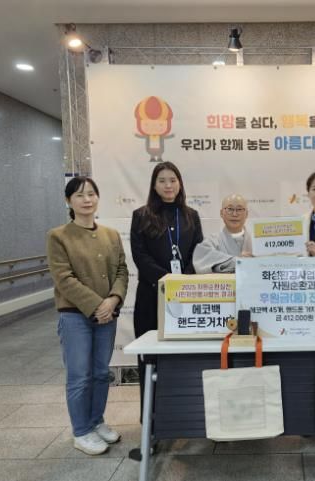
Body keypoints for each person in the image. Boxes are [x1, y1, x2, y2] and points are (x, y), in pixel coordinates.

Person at [46, 176, 128, 456]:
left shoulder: (111, 235)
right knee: (80, 376)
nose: (87, 200)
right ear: (68, 201)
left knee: (101, 373)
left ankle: (96, 421)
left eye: (91, 194)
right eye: (80, 195)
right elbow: (64, 278)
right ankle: (81, 431)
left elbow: (121, 271)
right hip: (75, 316)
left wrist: (113, 300)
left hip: (108, 315)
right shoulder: (58, 236)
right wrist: (96, 305)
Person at [130, 162, 203, 428]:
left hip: (184, 299)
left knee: (182, 360)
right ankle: (150, 425)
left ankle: (182, 420)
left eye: (173, 180)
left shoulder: (191, 216)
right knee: (150, 361)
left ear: (180, 183)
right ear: (154, 185)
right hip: (151, 298)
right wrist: (166, 281)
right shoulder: (141, 216)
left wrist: (181, 281)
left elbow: (198, 253)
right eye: (162, 180)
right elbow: (140, 256)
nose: (168, 185)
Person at [193, 194, 252, 273]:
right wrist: (238, 261)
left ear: (246, 214)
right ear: (221, 213)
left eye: (239, 209)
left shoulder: (256, 241)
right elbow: (201, 263)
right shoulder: (211, 241)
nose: (234, 214)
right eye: (230, 209)